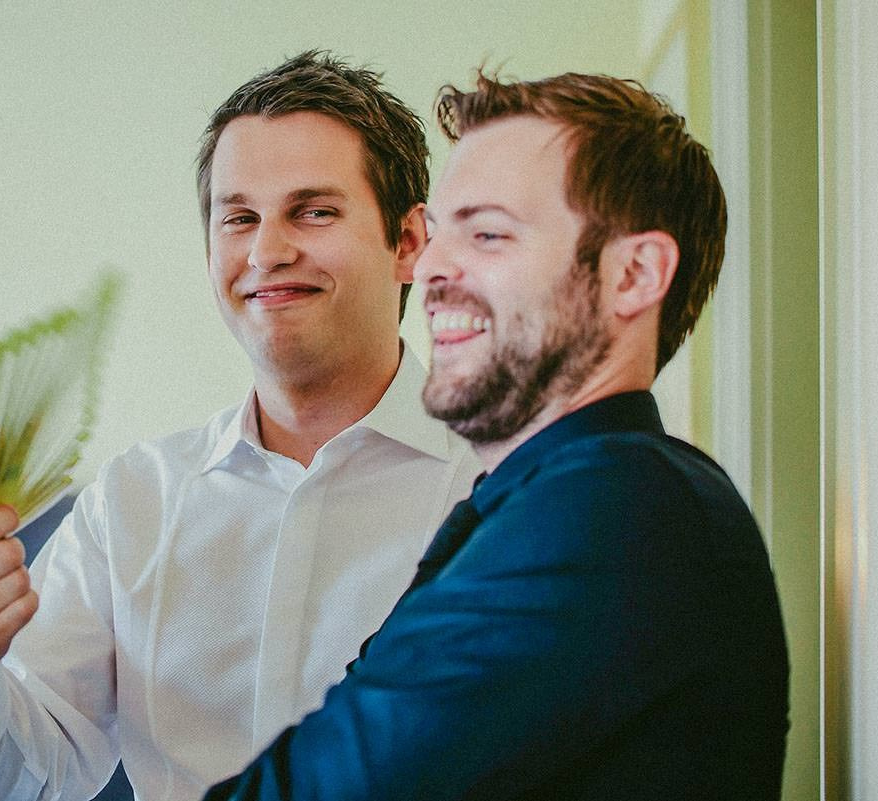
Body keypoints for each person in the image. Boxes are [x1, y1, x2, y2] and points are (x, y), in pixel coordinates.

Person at [0, 52, 482, 801]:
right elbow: (19, 788)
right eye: (239, 218)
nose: (267, 251)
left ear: (408, 242)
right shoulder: (133, 502)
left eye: (313, 211)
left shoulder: (502, 487)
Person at [204, 71, 791, 801]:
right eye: (440, 234)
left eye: (487, 233)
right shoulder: (547, 498)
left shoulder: (617, 505)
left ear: (634, 275)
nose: (430, 266)